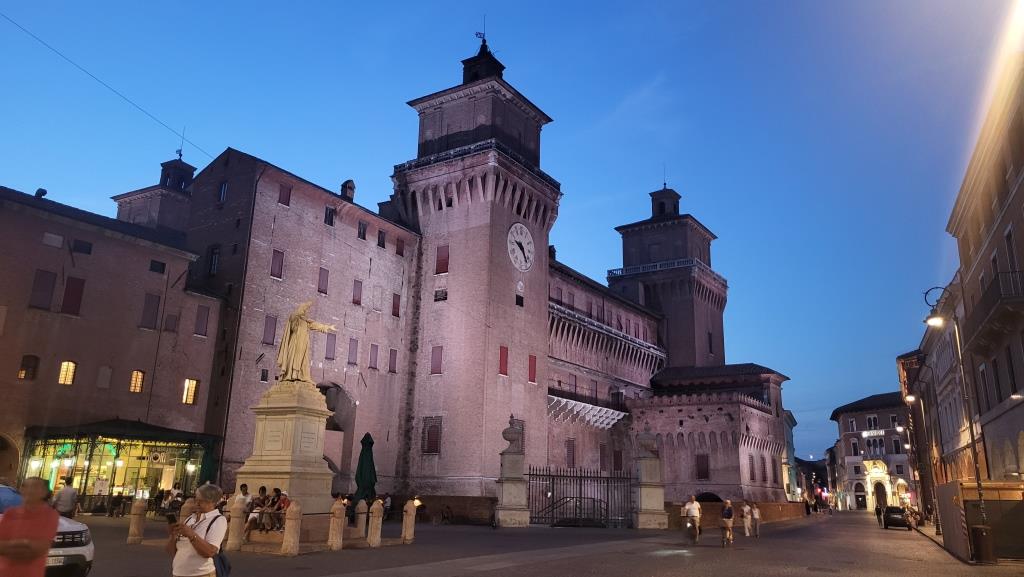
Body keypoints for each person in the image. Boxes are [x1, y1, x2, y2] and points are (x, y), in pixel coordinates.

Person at [0, 477, 59, 577]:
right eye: (25, 486)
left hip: (31, 573)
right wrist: (26, 543)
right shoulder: (10, 513)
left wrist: (10, 545)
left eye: (35, 487)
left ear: (44, 492)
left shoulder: (50, 515)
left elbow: (39, 549)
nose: (29, 490)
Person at [166, 483, 227, 577]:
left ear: (212, 502)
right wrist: (172, 535)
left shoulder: (218, 520)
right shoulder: (190, 518)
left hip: (201, 574)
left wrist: (191, 534)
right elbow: (171, 551)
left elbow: (210, 552)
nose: (197, 504)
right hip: (178, 573)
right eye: (196, 499)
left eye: (201, 501)